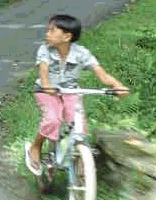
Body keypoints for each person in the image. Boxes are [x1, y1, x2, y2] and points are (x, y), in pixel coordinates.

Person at [25, 14, 128, 176]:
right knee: (52, 119)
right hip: (47, 92)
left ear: (67, 37)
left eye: (52, 31)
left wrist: (117, 86)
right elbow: (43, 71)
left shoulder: (81, 53)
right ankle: (35, 147)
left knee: (78, 125)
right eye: (48, 30)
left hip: (70, 92)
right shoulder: (45, 49)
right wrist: (47, 86)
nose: (47, 34)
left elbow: (101, 74)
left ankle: (80, 161)